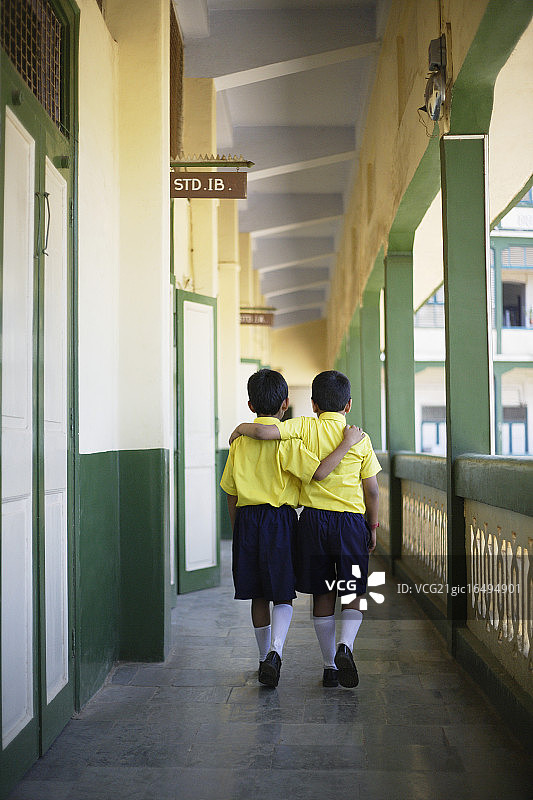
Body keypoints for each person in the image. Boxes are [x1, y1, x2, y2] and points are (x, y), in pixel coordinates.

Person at [229, 370, 380, 689]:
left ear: (312, 404)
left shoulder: (295, 431)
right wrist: (373, 526)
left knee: (309, 593)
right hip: (333, 523)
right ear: (348, 405)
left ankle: (312, 665)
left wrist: (242, 428)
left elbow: (237, 480)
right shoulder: (355, 440)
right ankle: (338, 648)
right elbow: (359, 486)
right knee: (340, 592)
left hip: (295, 522)